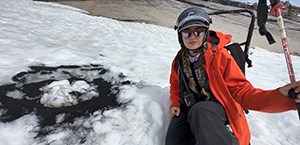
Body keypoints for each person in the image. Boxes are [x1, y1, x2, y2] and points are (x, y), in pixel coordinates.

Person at [165, 6, 300, 145]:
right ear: (180, 36)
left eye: (198, 32)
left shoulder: (219, 56)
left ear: (205, 33)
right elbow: (175, 84)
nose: (193, 37)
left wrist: (282, 97)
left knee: (200, 111)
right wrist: (175, 103)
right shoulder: (179, 60)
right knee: (174, 139)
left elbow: (242, 91)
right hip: (191, 107)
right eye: (187, 33)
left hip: (219, 107)